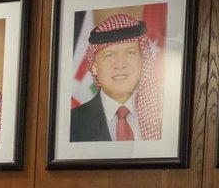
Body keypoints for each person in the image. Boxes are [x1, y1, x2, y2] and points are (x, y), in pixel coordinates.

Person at [70, 14, 163, 143]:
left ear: (143, 60)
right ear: (94, 66)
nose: (120, 64)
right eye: (109, 55)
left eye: (130, 52)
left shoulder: (165, 121)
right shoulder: (72, 124)